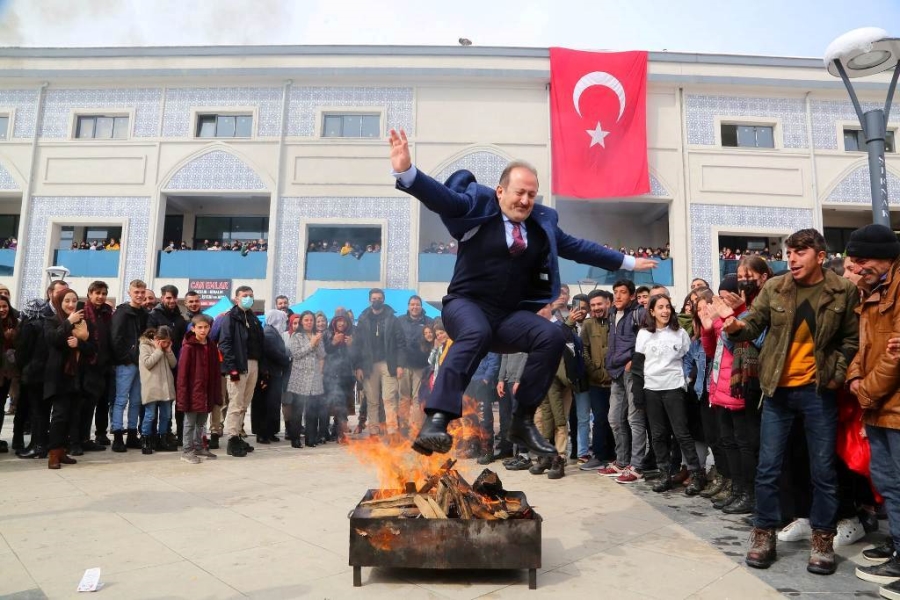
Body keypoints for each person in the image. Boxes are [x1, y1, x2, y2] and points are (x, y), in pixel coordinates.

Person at [388, 128, 655, 456]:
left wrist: (626, 260)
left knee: (553, 336)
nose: (525, 200)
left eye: (532, 194)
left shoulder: (541, 225)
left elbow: (579, 248)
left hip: (508, 318)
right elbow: (444, 199)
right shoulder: (478, 205)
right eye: (519, 193)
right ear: (500, 191)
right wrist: (407, 172)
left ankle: (522, 421)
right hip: (466, 305)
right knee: (475, 331)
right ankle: (437, 419)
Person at [724, 228, 859, 576]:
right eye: (789, 253)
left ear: (818, 254)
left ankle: (822, 540)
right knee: (768, 467)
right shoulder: (775, 287)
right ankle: (763, 534)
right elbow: (754, 326)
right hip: (778, 392)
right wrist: (735, 325)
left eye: (800, 253)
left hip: (818, 392)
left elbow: (851, 339)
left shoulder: (842, 290)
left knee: (824, 471)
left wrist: (836, 374)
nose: (792, 259)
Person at [841, 224, 900, 593]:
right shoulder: (871, 291)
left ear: (885, 259)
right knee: (890, 483)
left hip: (892, 405)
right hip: (879, 406)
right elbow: (863, 349)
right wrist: (854, 378)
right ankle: (897, 542)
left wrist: (864, 393)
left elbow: (896, 356)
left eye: (862, 261)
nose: (856, 268)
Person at [636, 294, 704, 494]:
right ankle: (664, 474)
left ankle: (696, 474)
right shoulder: (644, 334)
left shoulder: (680, 333)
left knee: (682, 433)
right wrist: (638, 394)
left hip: (674, 388)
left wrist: (687, 380)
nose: (665, 311)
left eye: (668, 307)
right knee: (657, 435)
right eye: (660, 307)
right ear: (652, 311)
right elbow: (638, 366)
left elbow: (689, 359)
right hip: (652, 389)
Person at [601, 280, 648, 483]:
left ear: (631, 296)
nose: (618, 296)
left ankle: (637, 466)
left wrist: (633, 361)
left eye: (623, 292)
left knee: (634, 419)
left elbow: (647, 340)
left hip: (632, 371)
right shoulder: (612, 313)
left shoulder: (639, 314)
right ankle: (621, 462)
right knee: (614, 418)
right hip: (615, 371)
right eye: (615, 292)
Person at [44, 288, 94, 469]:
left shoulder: (83, 323)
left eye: (74, 301)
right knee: (59, 415)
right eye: (67, 301)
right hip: (59, 376)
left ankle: (63, 450)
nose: (71, 304)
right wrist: (67, 322)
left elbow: (92, 348)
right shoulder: (51, 320)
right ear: (59, 302)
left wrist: (79, 343)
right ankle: (53, 454)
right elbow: (53, 340)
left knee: (72, 415)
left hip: (77, 376)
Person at [219, 286, 265, 457]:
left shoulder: (253, 318)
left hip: (253, 364)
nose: (248, 298)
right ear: (236, 298)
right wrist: (232, 368)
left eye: (251, 296)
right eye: (245, 296)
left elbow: (260, 343)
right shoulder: (230, 318)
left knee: (244, 404)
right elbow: (225, 344)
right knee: (235, 403)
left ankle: (238, 435)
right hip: (238, 365)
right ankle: (231, 439)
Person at [352, 289, 405, 436]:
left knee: (389, 399)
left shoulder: (392, 319)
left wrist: (400, 365)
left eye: (379, 298)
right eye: (374, 298)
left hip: (388, 364)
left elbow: (400, 343)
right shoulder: (363, 319)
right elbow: (357, 344)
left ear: (384, 299)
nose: (377, 300)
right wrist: (357, 366)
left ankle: (393, 432)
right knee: (372, 401)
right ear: (370, 300)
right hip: (368, 365)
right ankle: (374, 432)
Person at [176, 314, 221, 464]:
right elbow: (182, 374)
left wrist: (215, 392)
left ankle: (199, 446)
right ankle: (187, 450)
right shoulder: (189, 347)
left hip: (206, 390)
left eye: (206, 327)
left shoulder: (211, 346)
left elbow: (215, 371)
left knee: (201, 422)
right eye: (199, 327)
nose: (203, 330)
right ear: (193, 328)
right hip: (192, 391)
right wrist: (182, 394)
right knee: (189, 422)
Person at [111, 279, 149, 452]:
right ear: (130, 293)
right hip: (126, 364)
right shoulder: (122, 313)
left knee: (136, 401)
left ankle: (132, 435)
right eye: (137, 292)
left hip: (141, 364)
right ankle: (118, 435)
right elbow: (115, 338)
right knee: (120, 400)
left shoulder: (144, 313)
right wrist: (125, 358)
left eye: (142, 292)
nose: (140, 295)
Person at [579, 289, 614, 471]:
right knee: (599, 419)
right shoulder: (587, 325)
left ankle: (616, 455)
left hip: (616, 380)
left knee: (617, 419)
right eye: (593, 305)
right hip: (596, 382)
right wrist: (593, 370)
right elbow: (583, 349)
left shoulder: (617, 320)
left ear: (608, 303)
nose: (596, 308)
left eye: (599, 304)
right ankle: (599, 455)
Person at [78, 280, 113, 452]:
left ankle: (93, 436)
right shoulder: (83, 313)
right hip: (87, 365)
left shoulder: (107, 313)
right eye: (97, 293)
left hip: (104, 366)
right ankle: (81, 438)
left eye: (103, 293)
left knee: (99, 403)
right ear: (89, 294)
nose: (100, 297)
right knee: (84, 405)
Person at [287, 311, 325, 447]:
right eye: (306, 320)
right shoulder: (296, 336)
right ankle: (295, 439)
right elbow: (296, 354)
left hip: (314, 378)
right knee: (297, 410)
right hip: (300, 377)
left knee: (312, 411)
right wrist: (311, 344)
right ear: (302, 322)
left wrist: (317, 342)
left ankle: (311, 438)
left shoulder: (317, 336)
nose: (309, 322)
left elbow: (322, 355)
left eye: (311, 320)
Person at [138, 326, 177, 454]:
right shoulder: (145, 346)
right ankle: (146, 439)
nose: (166, 344)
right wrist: (159, 350)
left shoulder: (167, 348)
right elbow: (148, 363)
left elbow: (174, 364)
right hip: (152, 386)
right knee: (150, 415)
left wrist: (169, 351)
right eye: (164, 341)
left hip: (166, 386)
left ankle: (163, 439)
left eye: (168, 342)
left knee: (166, 415)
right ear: (156, 339)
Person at [398, 295, 433, 436]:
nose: (414, 307)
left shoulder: (428, 321)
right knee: (403, 398)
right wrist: (398, 364)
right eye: (412, 304)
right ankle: (403, 428)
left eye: (417, 304)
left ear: (421, 306)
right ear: (408, 306)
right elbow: (396, 344)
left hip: (422, 367)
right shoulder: (400, 321)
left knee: (418, 398)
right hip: (404, 366)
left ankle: (417, 429)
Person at [259, 310, 290, 444]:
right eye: (283, 320)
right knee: (267, 405)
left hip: (275, 373)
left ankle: (271, 432)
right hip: (269, 374)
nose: (285, 323)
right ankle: (263, 433)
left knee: (274, 404)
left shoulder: (274, 332)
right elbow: (273, 353)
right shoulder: (269, 333)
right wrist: (287, 359)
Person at [323, 313, 354, 444]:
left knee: (343, 403)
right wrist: (333, 343)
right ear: (334, 322)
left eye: (344, 321)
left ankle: (339, 432)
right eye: (339, 321)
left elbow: (357, 356)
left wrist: (352, 346)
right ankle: (337, 432)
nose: (342, 324)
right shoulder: (327, 334)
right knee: (335, 402)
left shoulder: (352, 335)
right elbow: (323, 352)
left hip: (347, 375)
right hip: (331, 374)